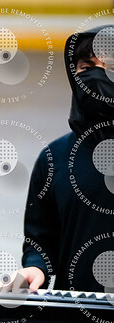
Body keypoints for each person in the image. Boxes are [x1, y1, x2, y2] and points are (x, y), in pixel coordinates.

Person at [6, 25, 114, 294]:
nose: (98, 76)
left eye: (110, 67)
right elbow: (40, 242)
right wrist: (35, 268)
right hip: (74, 310)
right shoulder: (53, 158)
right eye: (87, 67)